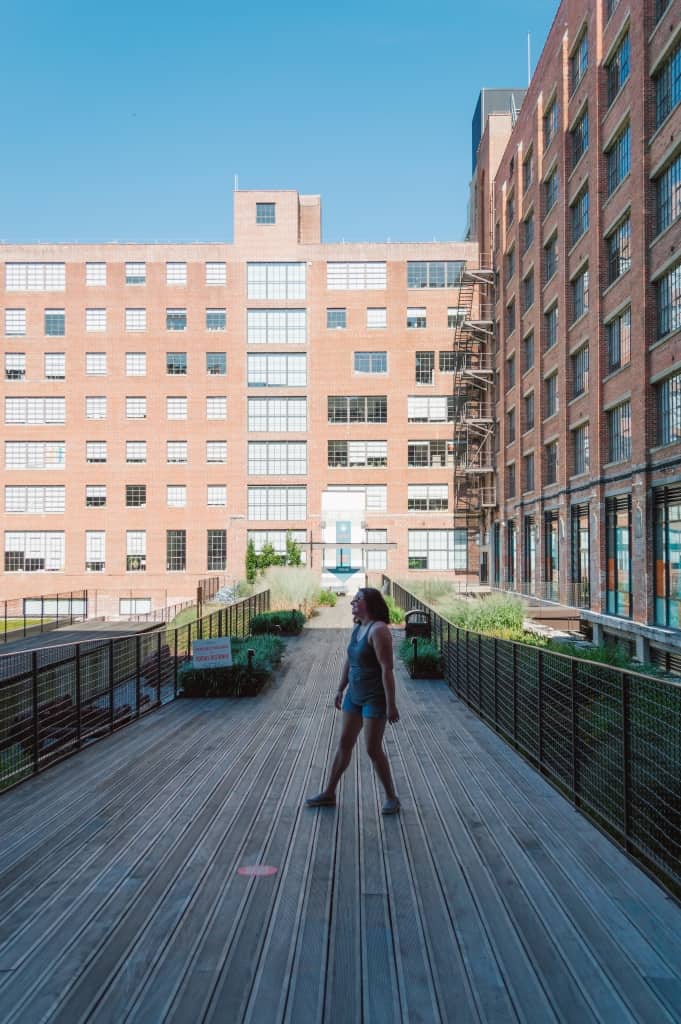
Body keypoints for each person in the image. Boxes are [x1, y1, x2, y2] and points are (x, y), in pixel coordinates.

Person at [306, 587, 400, 814]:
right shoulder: (359, 627)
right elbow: (350, 660)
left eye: (357, 600)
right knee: (344, 744)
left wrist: (391, 705)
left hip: (374, 698)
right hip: (354, 696)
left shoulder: (378, 631)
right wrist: (340, 688)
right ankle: (329, 792)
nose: (352, 603)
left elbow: (387, 669)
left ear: (370, 604)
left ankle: (391, 797)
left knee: (372, 749)